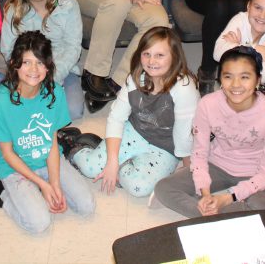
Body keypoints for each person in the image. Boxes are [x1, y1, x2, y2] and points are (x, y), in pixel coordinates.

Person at [0, 31, 96, 232]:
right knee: (39, 224)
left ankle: (37, 188)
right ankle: (3, 194)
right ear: (14, 64)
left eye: (40, 62)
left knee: (86, 206)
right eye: (26, 62)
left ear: (48, 66)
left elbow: (52, 142)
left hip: (47, 159)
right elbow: (8, 153)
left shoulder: (54, 92)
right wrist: (42, 186)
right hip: (14, 167)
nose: (34, 69)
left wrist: (54, 183)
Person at [67, 26, 197, 196]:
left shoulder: (184, 88)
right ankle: (75, 145)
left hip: (165, 147)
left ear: (175, 57)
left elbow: (184, 136)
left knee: (139, 188)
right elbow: (116, 118)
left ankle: (118, 158)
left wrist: (188, 173)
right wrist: (112, 162)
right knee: (90, 168)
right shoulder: (136, 78)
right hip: (134, 132)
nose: (151, 61)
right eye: (146, 54)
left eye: (160, 55)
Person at [153, 46, 265, 217]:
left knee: (262, 212)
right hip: (216, 165)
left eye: (245, 77)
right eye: (228, 77)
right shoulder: (208, 104)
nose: (236, 85)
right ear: (220, 79)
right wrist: (205, 193)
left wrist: (228, 198)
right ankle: (217, 214)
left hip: (254, 172)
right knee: (164, 189)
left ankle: (211, 215)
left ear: (258, 80)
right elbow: (199, 152)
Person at [1, 0, 84, 121]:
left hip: (61, 68)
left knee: (73, 111)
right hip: (27, 71)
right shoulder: (13, 10)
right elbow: (8, 49)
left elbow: (73, 47)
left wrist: (53, 75)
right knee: (14, 110)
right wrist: (29, 75)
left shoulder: (69, 5)